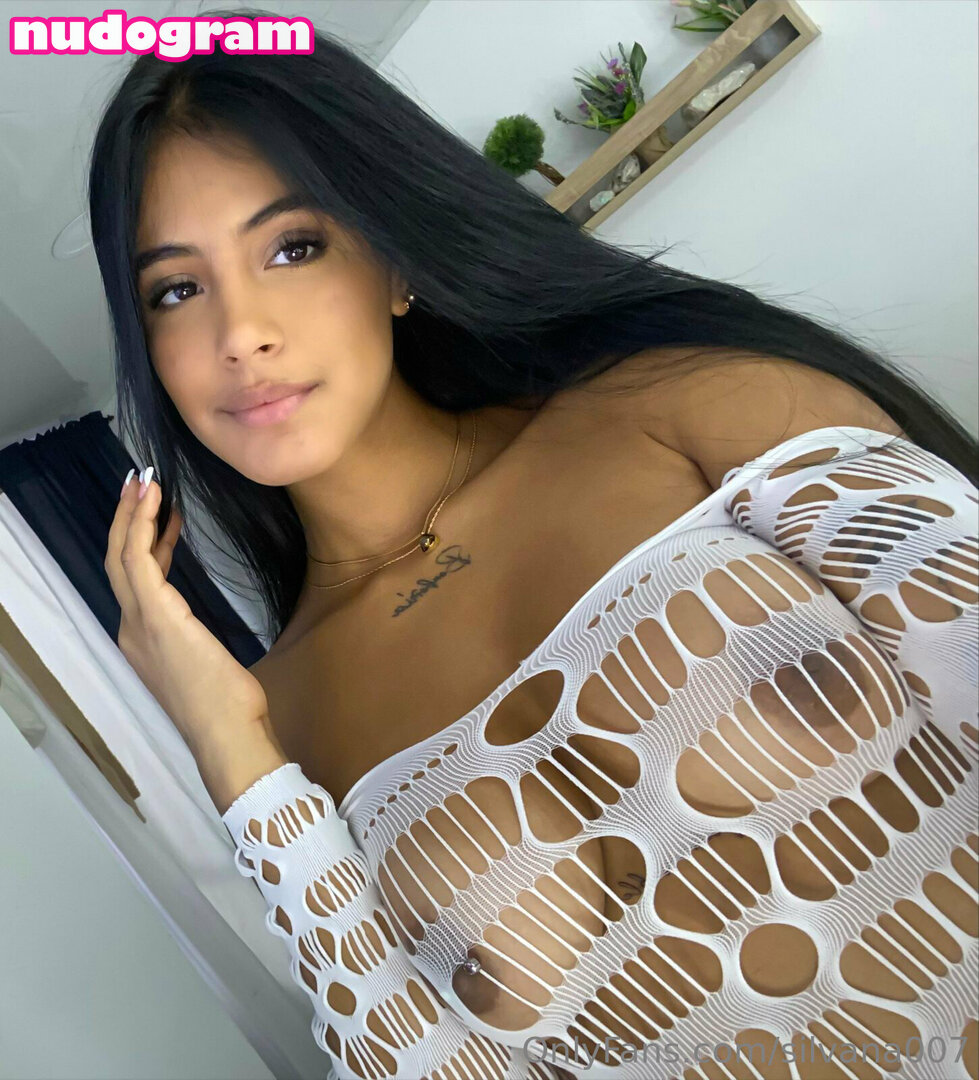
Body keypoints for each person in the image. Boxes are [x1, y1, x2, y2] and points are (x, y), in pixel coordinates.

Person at [93, 11, 979, 1079]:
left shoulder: (682, 409)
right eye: (176, 290)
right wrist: (233, 758)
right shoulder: (279, 725)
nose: (240, 333)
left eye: (293, 246)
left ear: (390, 260)